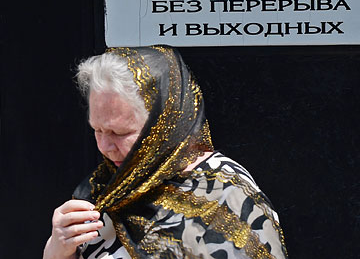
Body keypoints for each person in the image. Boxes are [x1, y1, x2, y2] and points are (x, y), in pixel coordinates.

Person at [43, 46, 288, 259]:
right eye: (97, 130)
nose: (105, 147)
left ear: (163, 126)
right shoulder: (103, 189)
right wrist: (59, 249)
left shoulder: (226, 195)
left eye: (120, 132)